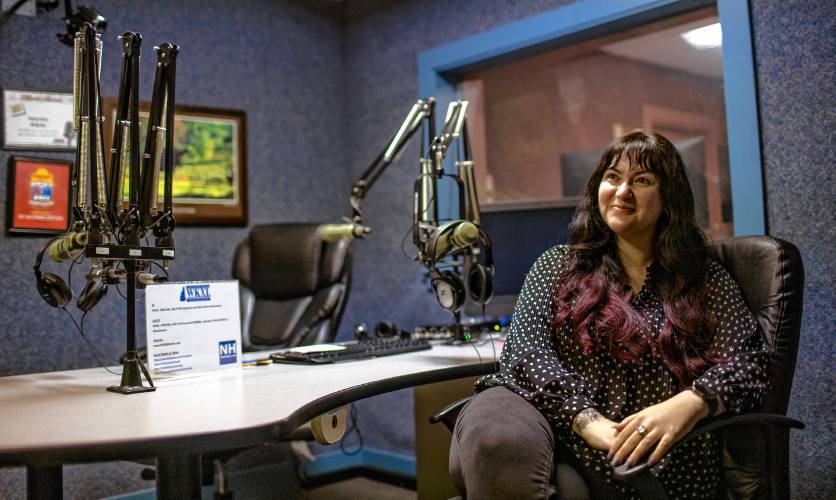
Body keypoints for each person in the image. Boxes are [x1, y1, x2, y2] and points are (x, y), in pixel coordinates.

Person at [448, 131, 769, 499]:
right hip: (570, 441)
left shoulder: (704, 278)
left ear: (669, 198)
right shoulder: (557, 266)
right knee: (499, 441)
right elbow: (524, 352)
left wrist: (692, 402)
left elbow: (752, 362)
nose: (622, 191)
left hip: (657, 468)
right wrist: (587, 421)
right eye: (612, 177)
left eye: (643, 180)